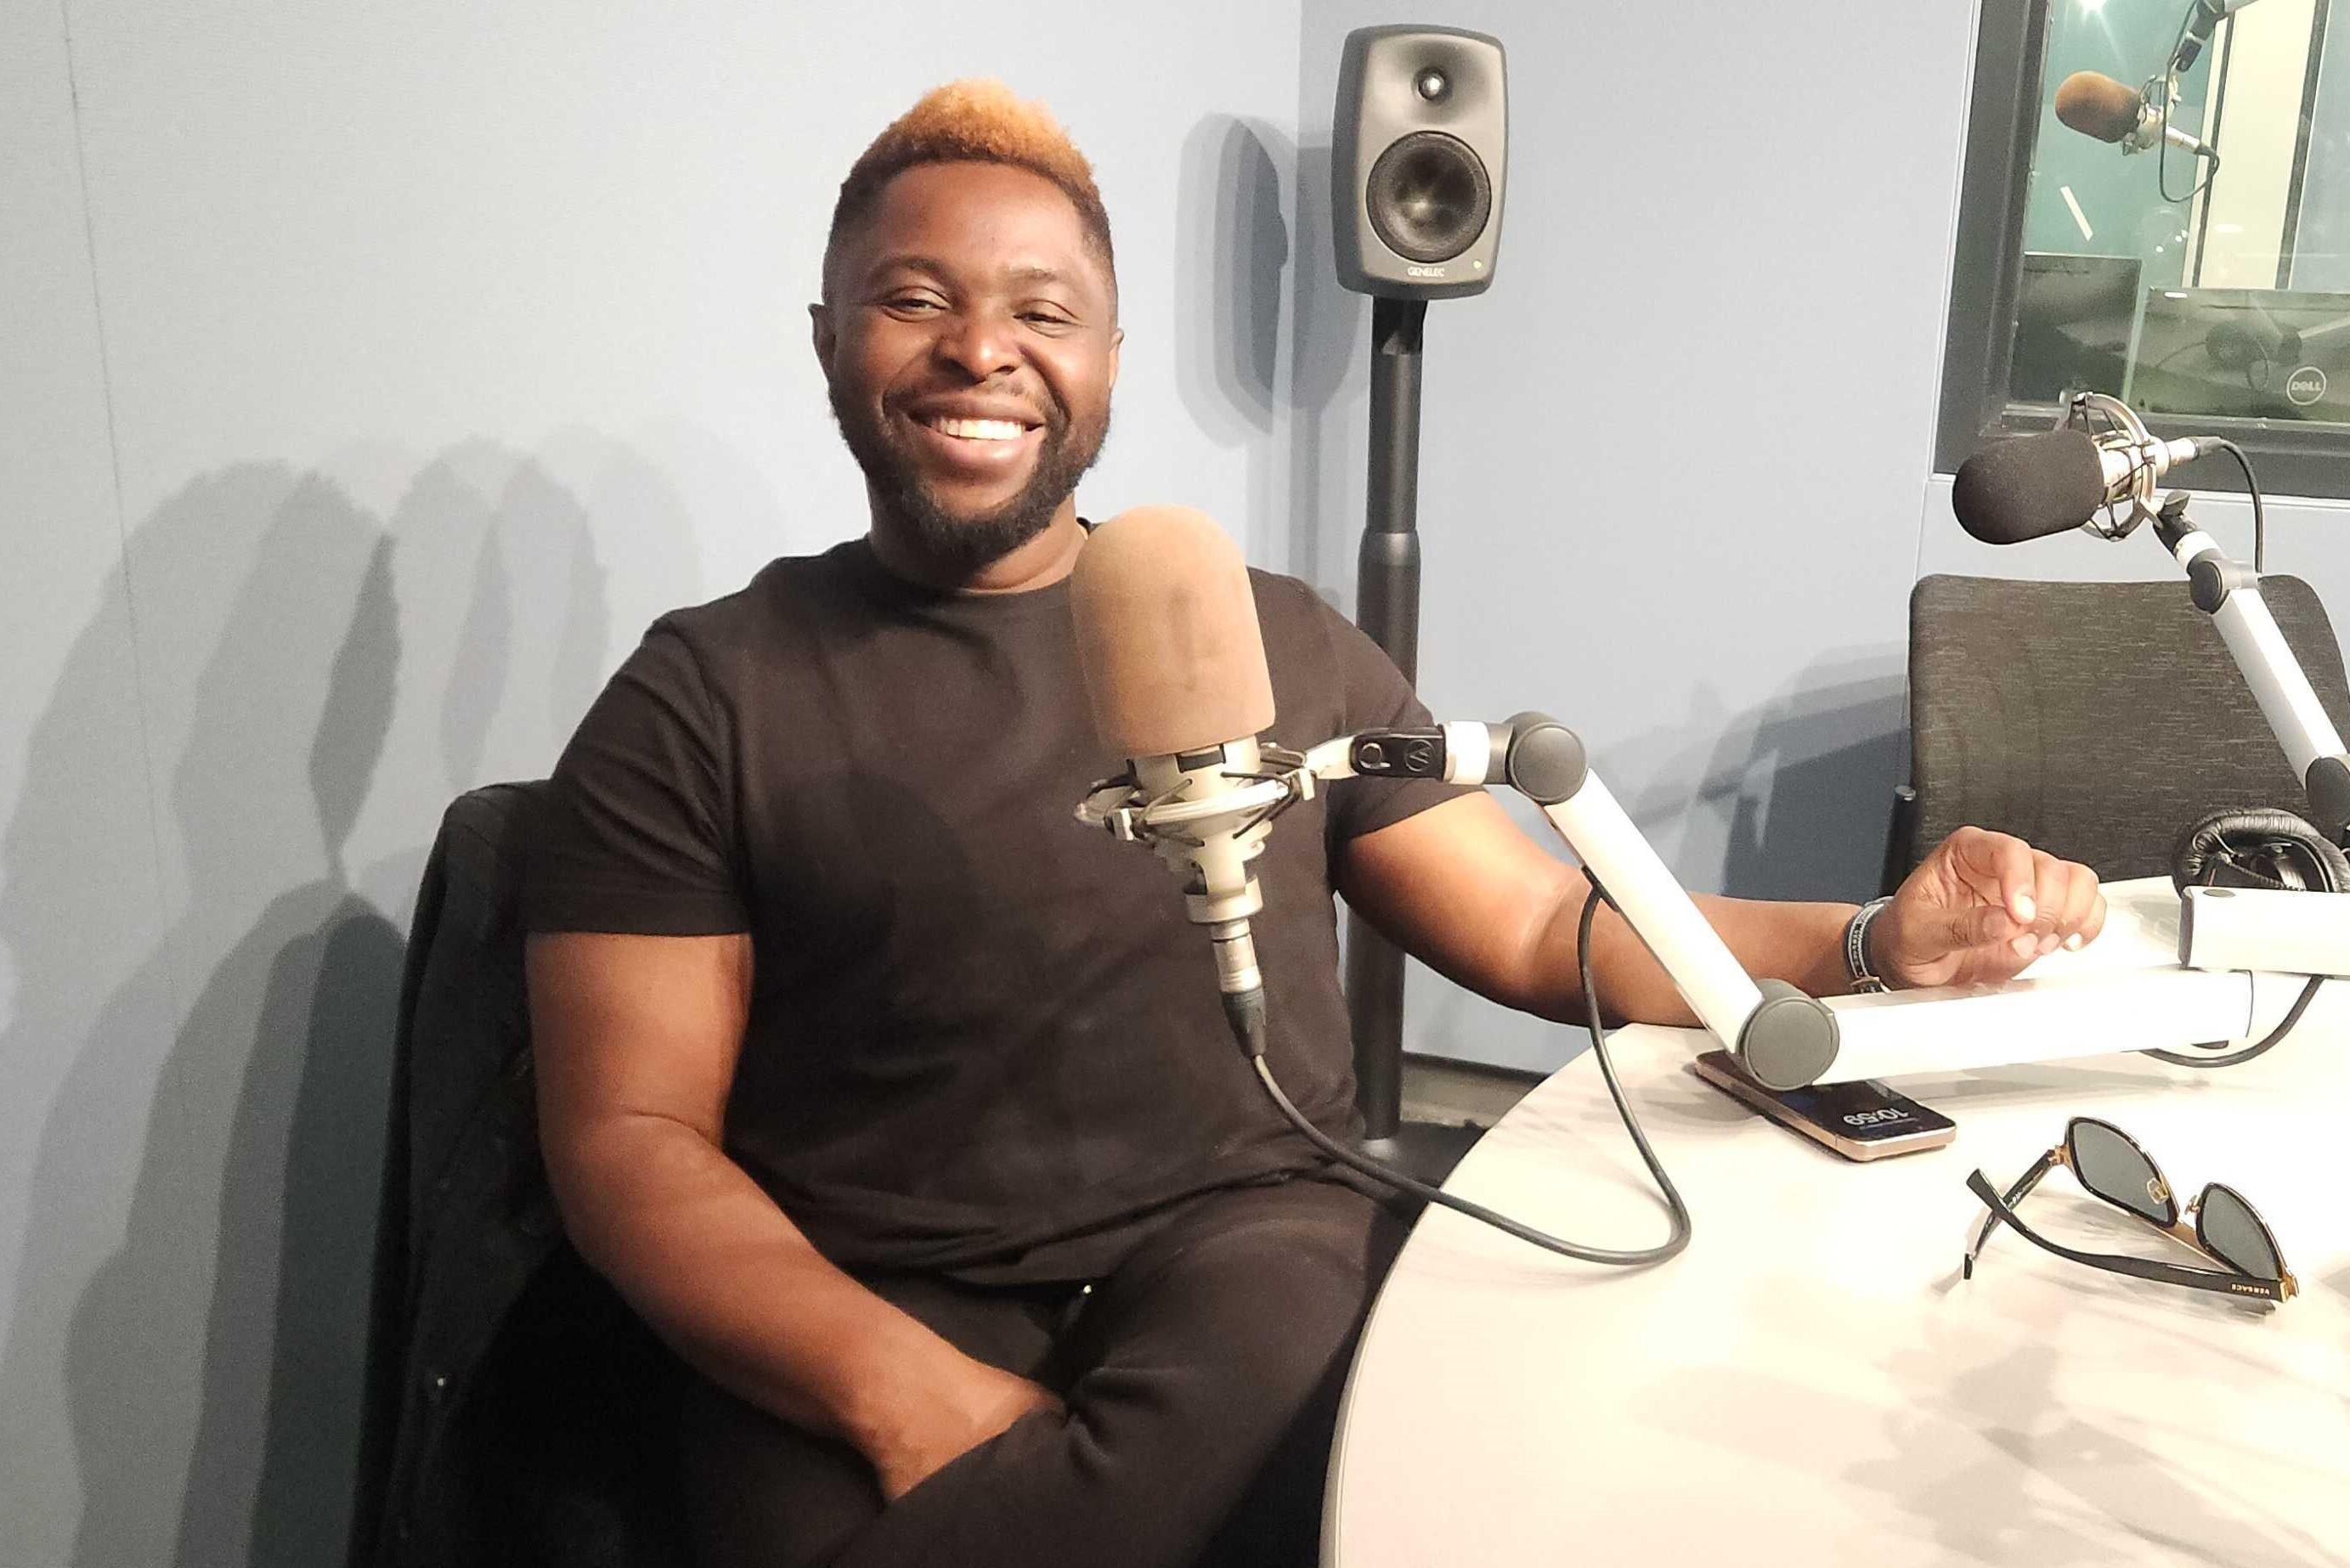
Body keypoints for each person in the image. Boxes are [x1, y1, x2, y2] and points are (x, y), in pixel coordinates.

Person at [523, 80, 2106, 1568]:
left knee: (1326, 1387)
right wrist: (894, 1391)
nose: (978, 350)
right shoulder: (702, 695)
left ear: (1110, 357)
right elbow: (627, 1140)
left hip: (1240, 1245)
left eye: (1040, 311)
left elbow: (1535, 926)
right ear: (829, 336)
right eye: (914, 298)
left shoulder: (1267, 637)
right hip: (860, 1292)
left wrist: (1864, 940)